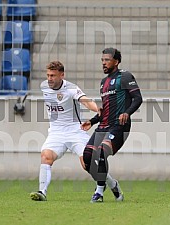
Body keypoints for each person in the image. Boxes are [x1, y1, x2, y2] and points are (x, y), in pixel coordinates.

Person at [30, 60, 116, 201]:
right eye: (48, 75)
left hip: (75, 131)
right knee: (46, 156)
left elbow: (85, 101)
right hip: (56, 133)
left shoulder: (71, 89)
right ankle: (42, 192)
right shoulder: (44, 86)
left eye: (53, 75)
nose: (49, 79)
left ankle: (112, 183)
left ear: (62, 75)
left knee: (86, 164)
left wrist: (97, 109)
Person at [81, 47, 143, 203]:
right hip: (103, 126)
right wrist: (92, 121)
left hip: (119, 126)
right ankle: (112, 184)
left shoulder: (125, 76)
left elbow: (138, 99)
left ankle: (99, 192)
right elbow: (105, 110)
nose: (103, 63)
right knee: (87, 158)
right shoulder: (103, 83)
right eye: (102, 60)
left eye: (107, 60)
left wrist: (127, 113)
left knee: (102, 151)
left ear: (116, 61)